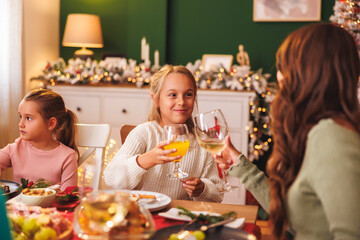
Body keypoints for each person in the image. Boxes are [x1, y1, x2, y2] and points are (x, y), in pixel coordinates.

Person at [214, 23, 360, 239]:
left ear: (311, 74)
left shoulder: (332, 137)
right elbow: (295, 217)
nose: (279, 77)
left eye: (285, 67)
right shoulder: (320, 130)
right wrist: (239, 164)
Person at [104, 65, 223, 202]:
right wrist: (147, 159)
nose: (181, 102)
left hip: (180, 217)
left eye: (188, 95)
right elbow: (111, 178)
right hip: (143, 215)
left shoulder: (202, 142)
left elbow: (217, 195)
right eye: (173, 95)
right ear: (156, 100)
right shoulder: (144, 133)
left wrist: (202, 189)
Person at [0, 89, 79, 191]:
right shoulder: (16, 147)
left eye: (28, 118)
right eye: (20, 116)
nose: (21, 124)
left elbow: (68, 199)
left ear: (51, 123)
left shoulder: (67, 157)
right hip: (17, 206)